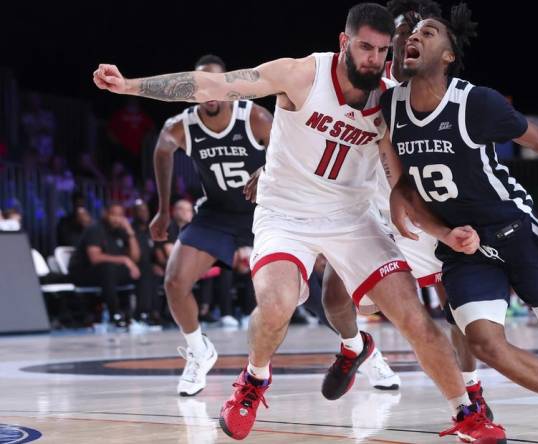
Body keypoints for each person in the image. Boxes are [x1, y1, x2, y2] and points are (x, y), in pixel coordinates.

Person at [92, 4, 504, 442]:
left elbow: (401, 183)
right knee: (276, 303)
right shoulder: (301, 75)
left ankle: (466, 413)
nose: (373, 59)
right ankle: (253, 380)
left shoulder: (387, 99)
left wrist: (442, 230)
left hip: (353, 218)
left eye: (382, 51)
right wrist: (129, 86)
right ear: (344, 42)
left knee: (415, 319)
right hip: (286, 214)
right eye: (365, 47)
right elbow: (212, 84)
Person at [384, 5, 538, 443]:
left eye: (428, 32)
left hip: (512, 227)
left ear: (448, 55)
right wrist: (445, 234)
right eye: (411, 32)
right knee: (483, 342)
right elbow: (408, 187)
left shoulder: (476, 103)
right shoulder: (390, 107)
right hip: (465, 248)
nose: (415, 36)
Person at [314, 0, 492, 413]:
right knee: (334, 299)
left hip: (426, 211)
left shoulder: (437, 88)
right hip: (374, 210)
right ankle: (354, 347)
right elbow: (315, 126)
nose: (409, 37)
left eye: (419, 31)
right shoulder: (365, 82)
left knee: (458, 307)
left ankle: (472, 390)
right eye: (402, 30)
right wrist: (268, 170)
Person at [128, 54, 274, 397]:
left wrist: (267, 171)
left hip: (264, 213)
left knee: (312, 291)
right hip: (218, 214)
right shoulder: (181, 125)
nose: (208, 91)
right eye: (199, 85)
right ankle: (199, 351)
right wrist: (163, 210)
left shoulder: (253, 117)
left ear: (229, 86)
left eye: (215, 84)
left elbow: (287, 150)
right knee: (175, 281)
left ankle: (358, 348)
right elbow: (162, 152)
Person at [68, 202, 140, 327]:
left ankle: (141, 314)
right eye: (113, 215)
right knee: (108, 269)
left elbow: (135, 258)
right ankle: (115, 314)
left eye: (120, 215)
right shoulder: (95, 229)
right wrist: (124, 259)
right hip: (83, 272)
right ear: (105, 214)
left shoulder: (120, 232)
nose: (117, 218)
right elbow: (94, 258)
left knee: (143, 269)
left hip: (106, 274)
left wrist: (130, 232)